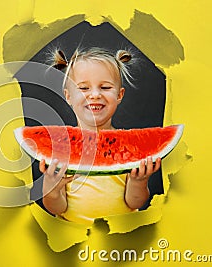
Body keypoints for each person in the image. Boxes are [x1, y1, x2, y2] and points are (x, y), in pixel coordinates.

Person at [39, 47, 161, 225]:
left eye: (105, 87)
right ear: (68, 96)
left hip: (119, 237)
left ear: (119, 95)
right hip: (76, 238)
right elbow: (57, 208)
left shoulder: (129, 148)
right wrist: (52, 188)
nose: (95, 94)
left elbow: (135, 202)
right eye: (83, 88)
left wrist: (139, 182)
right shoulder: (61, 148)